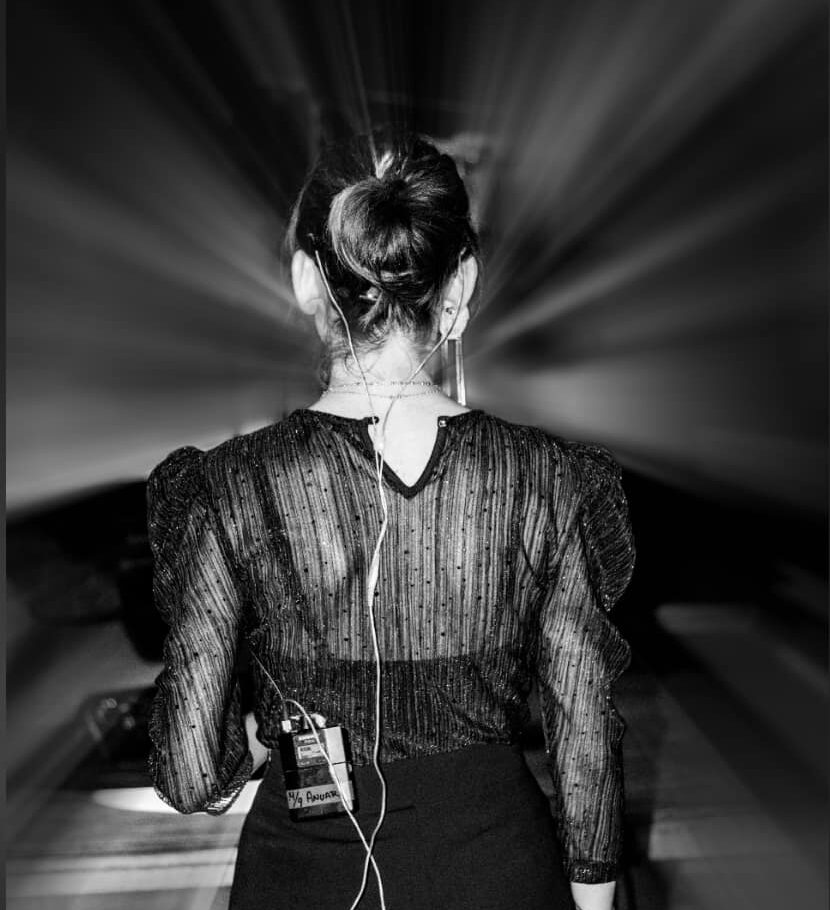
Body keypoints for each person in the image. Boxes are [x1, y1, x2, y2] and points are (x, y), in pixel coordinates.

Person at [146, 129, 635, 910]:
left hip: (303, 878)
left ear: (307, 279)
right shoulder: (547, 479)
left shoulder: (228, 486)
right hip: (496, 871)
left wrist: (258, 738)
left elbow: (191, 771)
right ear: (461, 281)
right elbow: (585, 733)